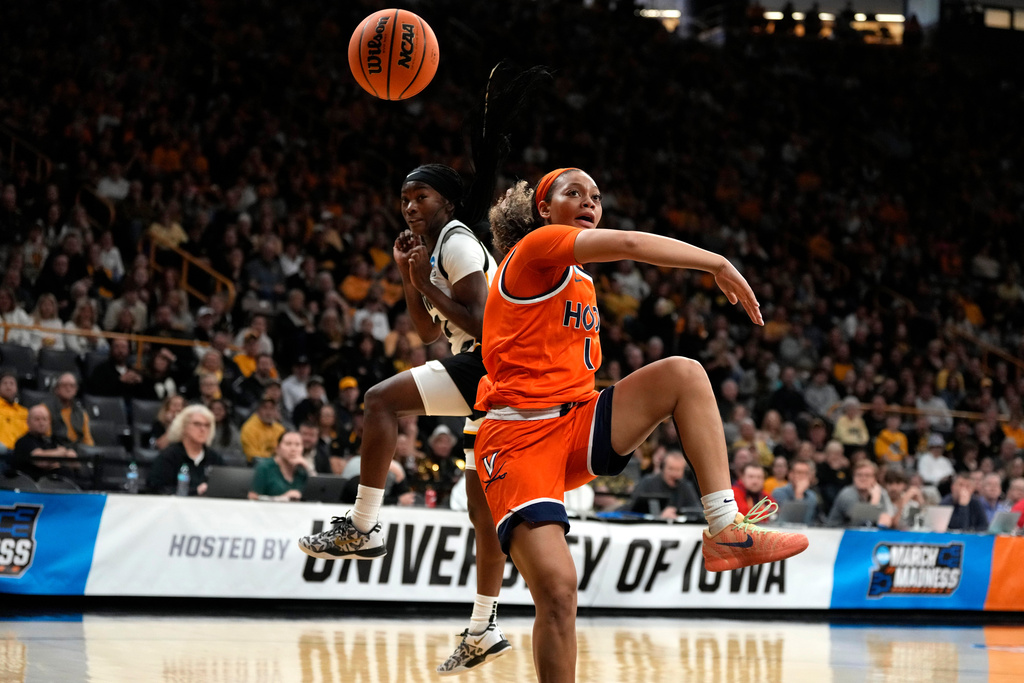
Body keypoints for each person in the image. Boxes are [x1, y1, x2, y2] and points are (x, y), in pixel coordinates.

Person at [464, 168, 810, 680]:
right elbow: (627, 243)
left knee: (684, 375)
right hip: (518, 440)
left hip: (575, 422)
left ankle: (725, 528)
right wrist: (716, 261)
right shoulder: (536, 249)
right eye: (573, 193)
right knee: (558, 593)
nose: (588, 202)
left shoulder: (577, 277)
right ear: (543, 209)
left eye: (597, 196)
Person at [297, 162, 512, 674]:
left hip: (494, 363)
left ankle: (364, 526)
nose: (411, 207)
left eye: (422, 197)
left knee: (379, 400)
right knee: (480, 513)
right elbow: (425, 334)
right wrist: (408, 277)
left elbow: (482, 323)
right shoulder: (432, 250)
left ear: (449, 204)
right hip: (482, 374)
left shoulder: (457, 242)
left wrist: (425, 281)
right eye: (405, 199)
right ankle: (484, 627)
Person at [146, 404, 224, 495]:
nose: (203, 429)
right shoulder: (169, 456)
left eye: (207, 425)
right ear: (183, 427)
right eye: (197, 424)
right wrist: (195, 491)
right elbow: (155, 488)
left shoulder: (214, 458)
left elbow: (227, 486)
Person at [11, 404, 78, 481]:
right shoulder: (23, 442)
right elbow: (41, 461)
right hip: (31, 487)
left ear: (49, 422)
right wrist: (61, 452)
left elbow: (74, 462)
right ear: (28, 422)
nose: (41, 423)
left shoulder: (51, 441)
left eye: (44, 419)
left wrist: (56, 459)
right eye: (37, 419)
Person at [626, 450, 700, 519]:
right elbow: (631, 510)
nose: (674, 474)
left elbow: (697, 511)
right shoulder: (648, 482)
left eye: (678, 470)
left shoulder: (686, 487)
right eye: (671, 469)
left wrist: (679, 514)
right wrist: (659, 516)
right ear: (663, 468)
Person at [826, 460, 894, 527]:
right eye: (859, 475)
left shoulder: (879, 491)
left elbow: (888, 515)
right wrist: (874, 501)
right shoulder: (847, 494)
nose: (863, 478)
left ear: (875, 478)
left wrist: (885, 518)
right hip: (837, 534)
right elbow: (860, 522)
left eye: (867, 475)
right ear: (853, 477)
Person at [248, 431, 307, 501]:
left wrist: (308, 469)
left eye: (297, 445)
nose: (293, 449)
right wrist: (282, 499)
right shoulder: (265, 468)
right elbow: (253, 497)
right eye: (288, 444)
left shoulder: (303, 471)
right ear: (278, 448)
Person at [47, 373, 94, 447]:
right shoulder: (46, 410)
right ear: (56, 389)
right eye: (64, 385)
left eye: (72, 386)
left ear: (76, 390)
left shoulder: (81, 413)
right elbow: (45, 438)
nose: (68, 389)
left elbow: (87, 440)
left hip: (76, 451)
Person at [771, 459, 819, 525]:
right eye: (799, 472)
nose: (803, 476)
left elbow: (808, 521)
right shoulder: (779, 493)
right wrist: (798, 494)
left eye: (806, 473)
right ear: (790, 475)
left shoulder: (812, 496)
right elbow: (788, 521)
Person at [240, 398, 286, 463]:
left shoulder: (280, 429)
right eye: (265, 408)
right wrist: (273, 457)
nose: (268, 412)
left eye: (272, 408)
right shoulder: (249, 428)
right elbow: (251, 454)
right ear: (258, 410)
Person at [0, 373, 29, 454]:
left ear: (16, 388)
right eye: (5, 383)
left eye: (11, 383)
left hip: (20, 454)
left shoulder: (25, 412)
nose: (8, 386)